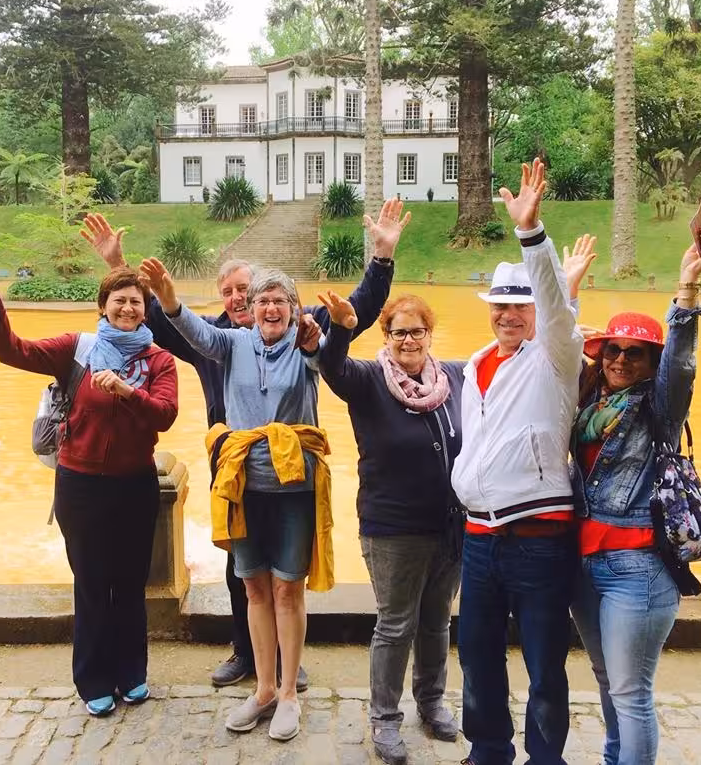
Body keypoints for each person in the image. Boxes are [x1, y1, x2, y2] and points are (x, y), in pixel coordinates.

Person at [80, 202, 404, 690]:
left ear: (280, 302)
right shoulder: (219, 341)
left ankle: (282, 664)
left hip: (290, 468)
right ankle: (247, 653)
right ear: (231, 302)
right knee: (244, 570)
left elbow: (353, 313)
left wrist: (380, 259)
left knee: (287, 574)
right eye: (230, 293)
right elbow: (163, 316)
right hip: (231, 461)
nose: (241, 300)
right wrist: (119, 268)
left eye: (247, 291)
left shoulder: (299, 328)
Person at [0, 262, 178, 718]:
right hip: (80, 484)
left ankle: (131, 674)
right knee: (90, 583)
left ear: (145, 312)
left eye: (136, 302)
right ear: (102, 306)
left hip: (134, 485)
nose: (127, 307)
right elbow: (11, 350)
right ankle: (93, 679)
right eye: (119, 299)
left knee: (129, 584)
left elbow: (165, 414)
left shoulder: (158, 360)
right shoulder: (76, 349)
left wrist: (127, 391)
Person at [139, 256, 329, 742]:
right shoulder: (234, 343)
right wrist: (167, 298)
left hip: (293, 489)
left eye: (279, 300)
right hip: (244, 487)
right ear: (250, 306)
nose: (269, 308)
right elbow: (192, 334)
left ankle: (289, 692)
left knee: (288, 589)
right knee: (254, 588)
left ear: (293, 308)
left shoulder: (306, 347)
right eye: (261, 299)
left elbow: (329, 355)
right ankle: (263, 689)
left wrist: (326, 335)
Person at [450, 159, 587, 765]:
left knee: (543, 658)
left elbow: (560, 314)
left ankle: (545, 757)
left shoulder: (555, 359)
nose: (508, 316)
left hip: (537, 536)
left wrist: (532, 234)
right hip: (478, 537)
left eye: (520, 307)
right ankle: (487, 750)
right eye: (499, 307)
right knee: (476, 651)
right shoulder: (474, 366)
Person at [569, 229, 701, 765]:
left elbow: (682, 361)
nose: (621, 359)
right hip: (584, 562)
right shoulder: (589, 404)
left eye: (635, 353)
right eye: (613, 349)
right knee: (608, 683)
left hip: (639, 567)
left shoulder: (659, 407)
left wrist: (686, 288)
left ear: (651, 362)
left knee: (631, 694)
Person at [316, 290, 465, 765]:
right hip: (392, 527)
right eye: (399, 331)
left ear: (429, 333)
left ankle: (431, 701)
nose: (408, 340)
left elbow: (504, 362)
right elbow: (332, 368)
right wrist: (340, 329)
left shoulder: (455, 378)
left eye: (416, 330)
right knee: (396, 623)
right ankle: (384, 718)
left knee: (437, 620)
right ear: (386, 335)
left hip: (449, 525)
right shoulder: (368, 379)